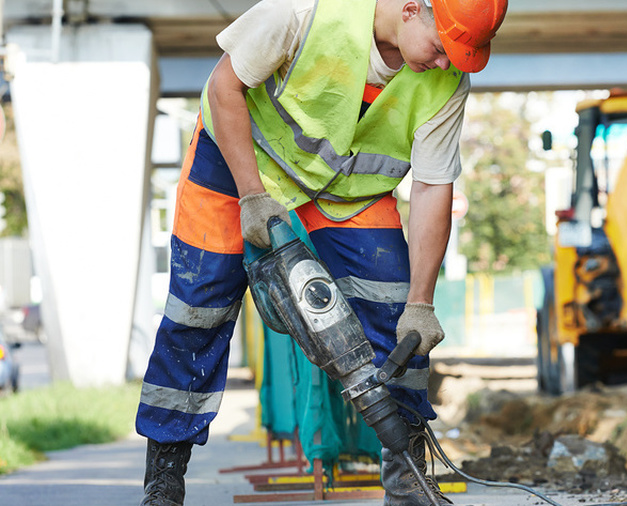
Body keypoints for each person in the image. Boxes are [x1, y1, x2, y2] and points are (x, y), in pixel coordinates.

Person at [135, 0, 507, 504]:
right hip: (237, 160)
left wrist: (422, 302)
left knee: (402, 319)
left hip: (344, 189)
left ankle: (409, 483)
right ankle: (164, 480)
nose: (446, 64)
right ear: (412, 9)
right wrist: (250, 195)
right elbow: (226, 86)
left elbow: (432, 187)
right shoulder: (302, 11)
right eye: (443, 48)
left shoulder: (447, 84)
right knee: (197, 309)